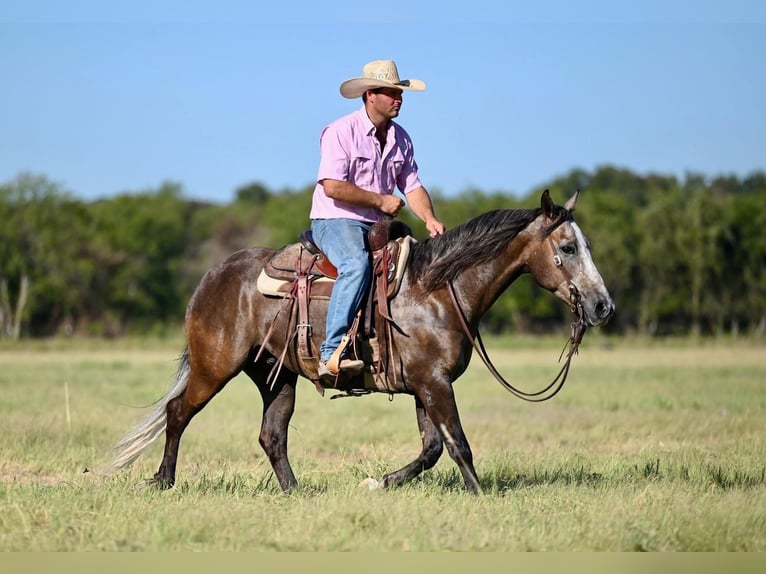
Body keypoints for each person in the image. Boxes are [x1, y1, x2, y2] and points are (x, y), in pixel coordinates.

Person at [310, 59, 446, 381]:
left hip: (377, 225)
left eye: (400, 93)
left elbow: (412, 185)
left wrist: (429, 218)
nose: (398, 99)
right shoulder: (341, 132)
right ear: (370, 94)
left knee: (416, 265)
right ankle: (331, 354)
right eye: (391, 93)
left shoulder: (401, 138)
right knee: (356, 264)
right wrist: (380, 200)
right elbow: (333, 186)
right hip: (336, 219)